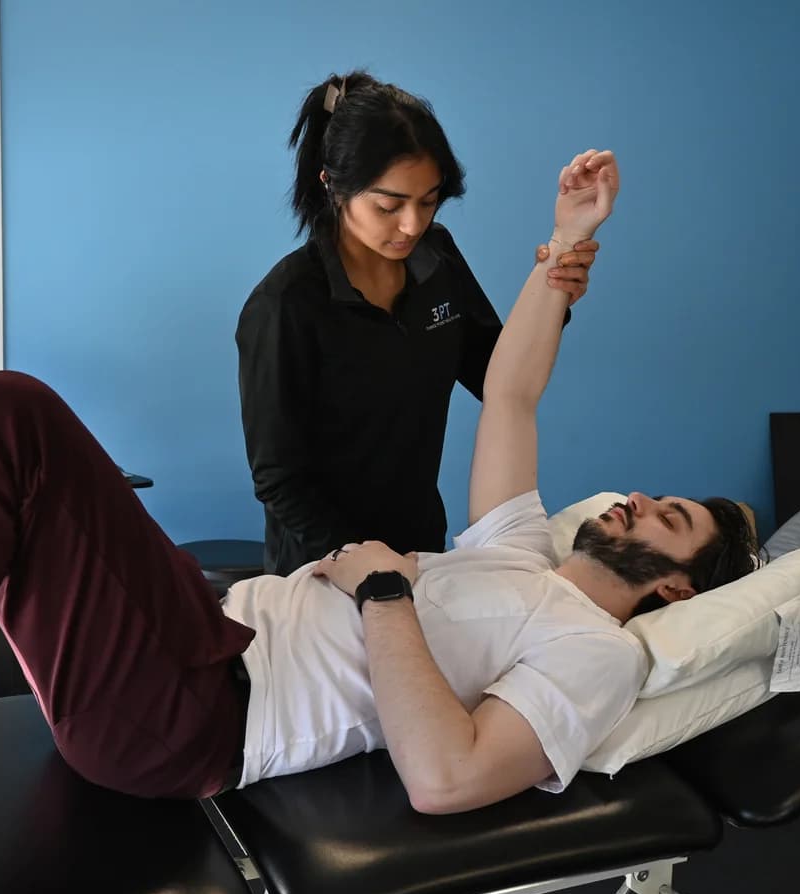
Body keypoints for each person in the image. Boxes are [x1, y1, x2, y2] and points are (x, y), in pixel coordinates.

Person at [0, 148, 758, 894]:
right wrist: (564, 245)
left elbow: (449, 780)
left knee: (7, 417)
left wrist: (384, 590)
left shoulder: (595, 650)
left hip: (196, 716)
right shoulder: (522, 551)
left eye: (671, 525)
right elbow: (507, 392)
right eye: (656, 496)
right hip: (202, 634)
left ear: (671, 591)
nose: (642, 503)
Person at [237, 70, 603, 575]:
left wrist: (554, 294)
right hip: (323, 568)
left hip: (422, 548)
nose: (412, 225)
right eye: (389, 206)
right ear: (332, 185)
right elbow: (280, 480)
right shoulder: (284, 306)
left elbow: (495, 374)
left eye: (428, 202)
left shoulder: (438, 260)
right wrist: (368, 565)